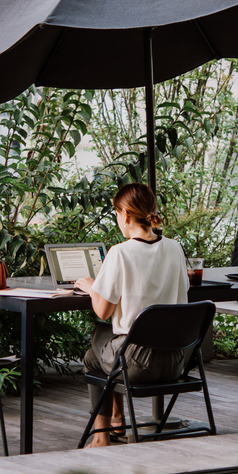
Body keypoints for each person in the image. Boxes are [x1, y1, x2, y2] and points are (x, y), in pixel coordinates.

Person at [75, 183, 189, 448]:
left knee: (94, 353)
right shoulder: (175, 248)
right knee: (110, 344)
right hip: (175, 361)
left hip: (138, 366)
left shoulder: (120, 252)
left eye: (116, 214)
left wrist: (92, 287)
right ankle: (117, 420)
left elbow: (103, 311)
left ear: (125, 214)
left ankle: (102, 436)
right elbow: (183, 292)